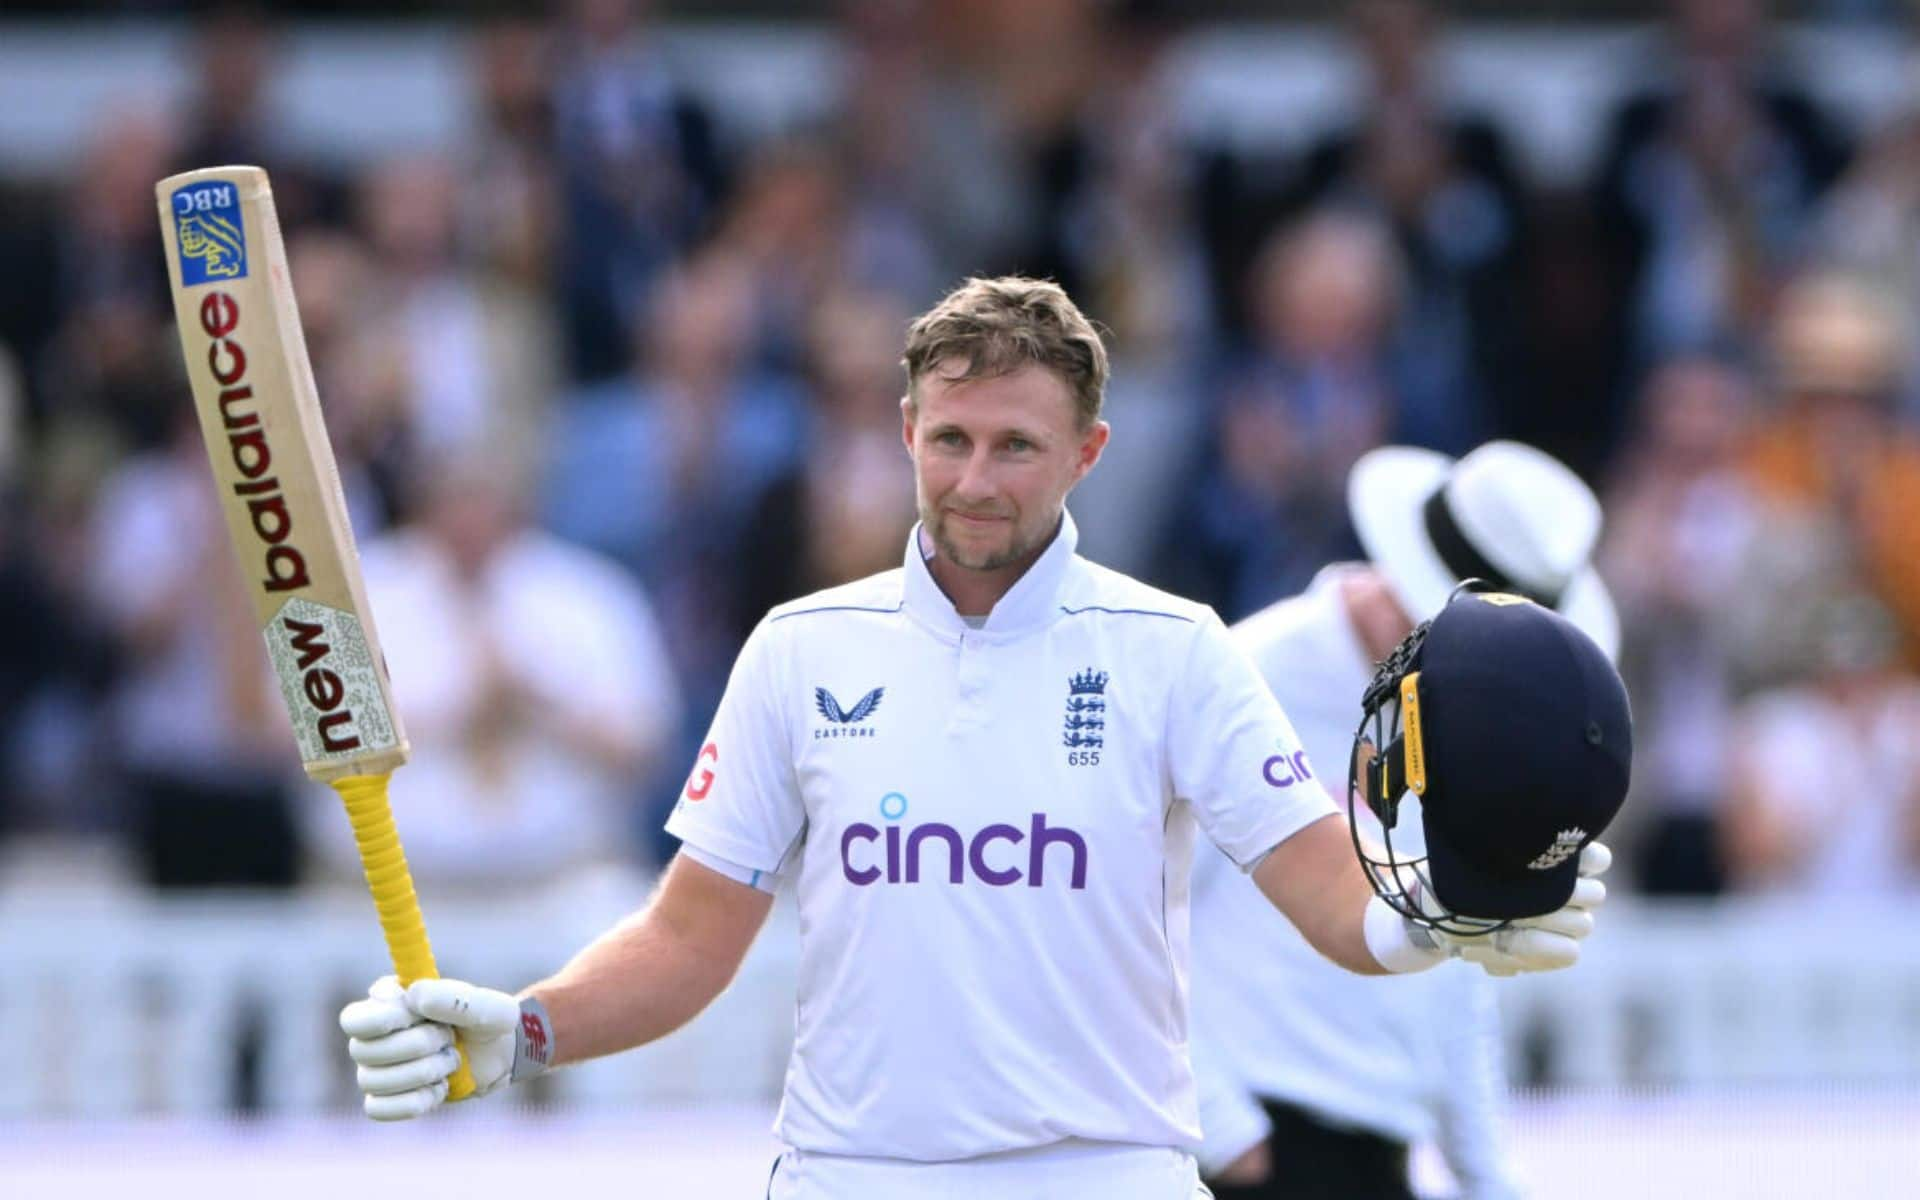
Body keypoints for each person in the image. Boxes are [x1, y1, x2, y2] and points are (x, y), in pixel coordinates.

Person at [336, 278, 1611, 1200]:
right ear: (906, 436)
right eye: (949, 440)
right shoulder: (800, 648)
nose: (975, 480)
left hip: (1106, 1177)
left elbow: (1332, 891)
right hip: (853, 1178)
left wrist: (1440, 918)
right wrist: (524, 1030)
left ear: (1089, 453)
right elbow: (686, 940)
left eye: (1017, 446)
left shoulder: (1175, 649)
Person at [1193, 440, 1619, 1200]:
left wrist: (1488, 1179)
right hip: (1242, 1143)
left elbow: (1463, 971)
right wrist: (1220, 1131)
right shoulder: (1247, 676)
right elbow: (1127, 920)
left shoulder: (1474, 717)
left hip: (1376, 1155)